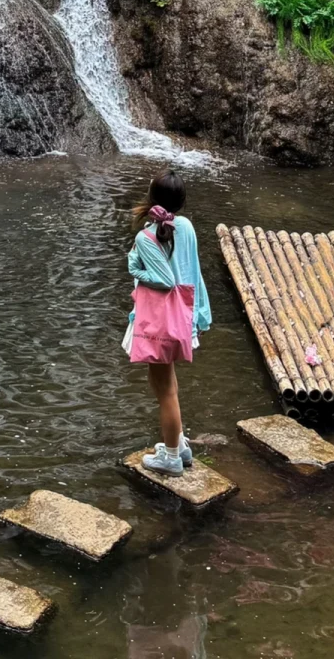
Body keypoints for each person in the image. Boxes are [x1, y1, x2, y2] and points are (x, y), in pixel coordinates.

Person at [124, 169, 211, 476]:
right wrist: (202, 314)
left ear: (152, 199)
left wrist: (134, 268)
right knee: (169, 384)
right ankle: (180, 444)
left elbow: (164, 280)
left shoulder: (146, 237)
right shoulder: (186, 226)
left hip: (160, 322)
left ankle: (171, 458)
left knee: (164, 391)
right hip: (184, 316)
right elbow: (192, 271)